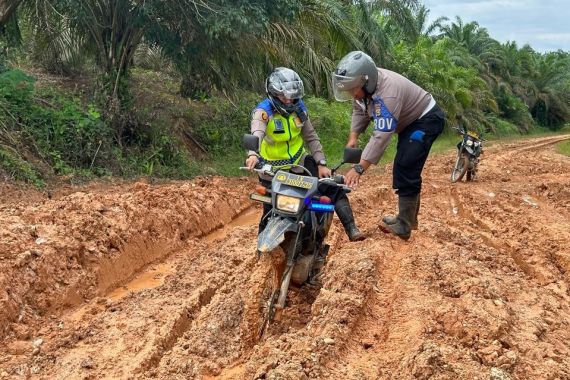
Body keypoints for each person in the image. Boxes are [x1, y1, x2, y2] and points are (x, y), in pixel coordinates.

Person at [331, 51, 445, 240]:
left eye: (353, 90)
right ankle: (406, 219)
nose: (352, 94)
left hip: (426, 119)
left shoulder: (388, 94)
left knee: (406, 165)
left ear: (366, 81)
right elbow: (359, 111)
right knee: (404, 164)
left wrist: (359, 168)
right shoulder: (364, 90)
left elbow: (381, 136)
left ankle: (404, 224)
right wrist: (353, 138)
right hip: (409, 124)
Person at [245, 67, 365, 241]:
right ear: (273, 93)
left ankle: (351, 229)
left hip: (300, 164)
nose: (288, 100)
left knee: (333, 188)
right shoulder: (263, 112)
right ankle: (261, 251)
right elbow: (257, 133)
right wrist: (253, 154)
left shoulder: (299, 108)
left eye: (292, 96)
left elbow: (311, 137)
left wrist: (321, 162)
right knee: (270, 210)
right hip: (272, 171)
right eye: (283, 96)